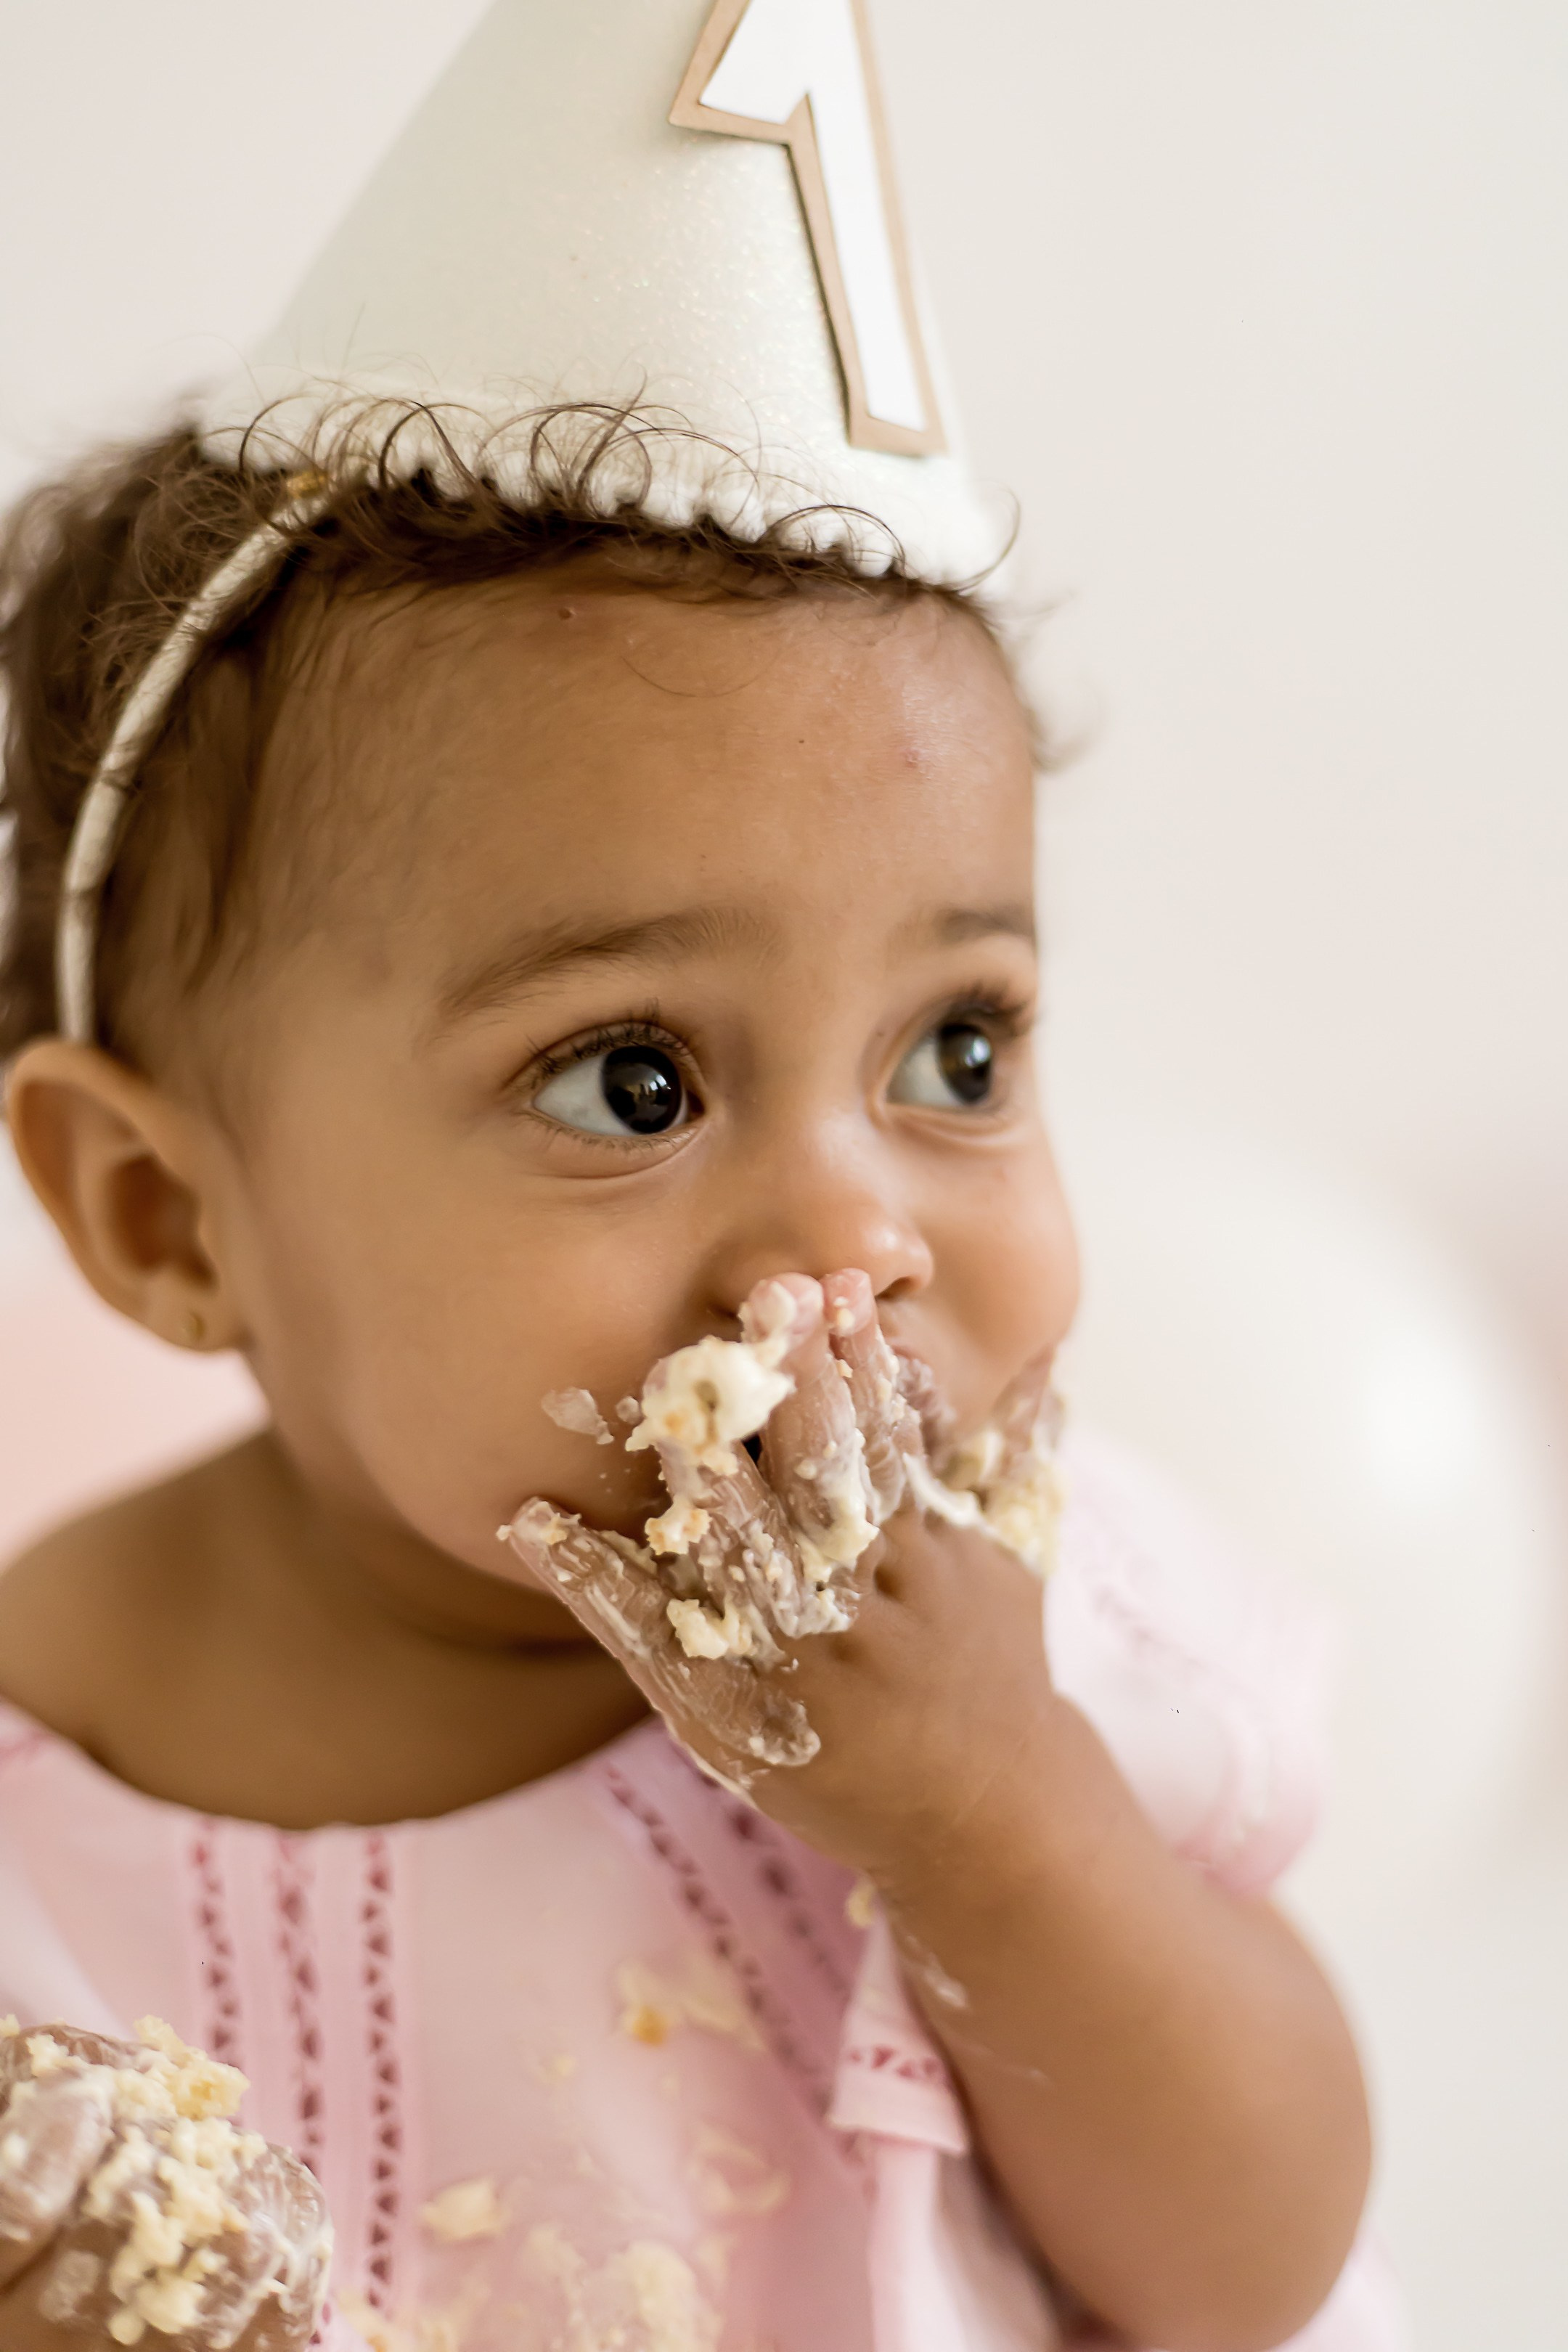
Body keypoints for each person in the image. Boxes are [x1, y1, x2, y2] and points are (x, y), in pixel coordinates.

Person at [0, 5, 1403, 2348]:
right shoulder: (52, 1766)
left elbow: (1253, 2260)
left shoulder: (1025, 1626)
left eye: (955, 1051)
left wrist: (999, 1820)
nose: (858, 1235)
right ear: (168, 1218)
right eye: (633, 1083)